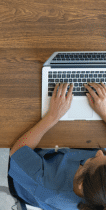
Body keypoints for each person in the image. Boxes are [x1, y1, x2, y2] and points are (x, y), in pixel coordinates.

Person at [9, 82, 106, 210]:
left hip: (28, 175)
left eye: (92, 159)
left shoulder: (49, 186)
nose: (100, 152)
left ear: (81, 184)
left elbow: (17, 152)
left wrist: (53, 116)